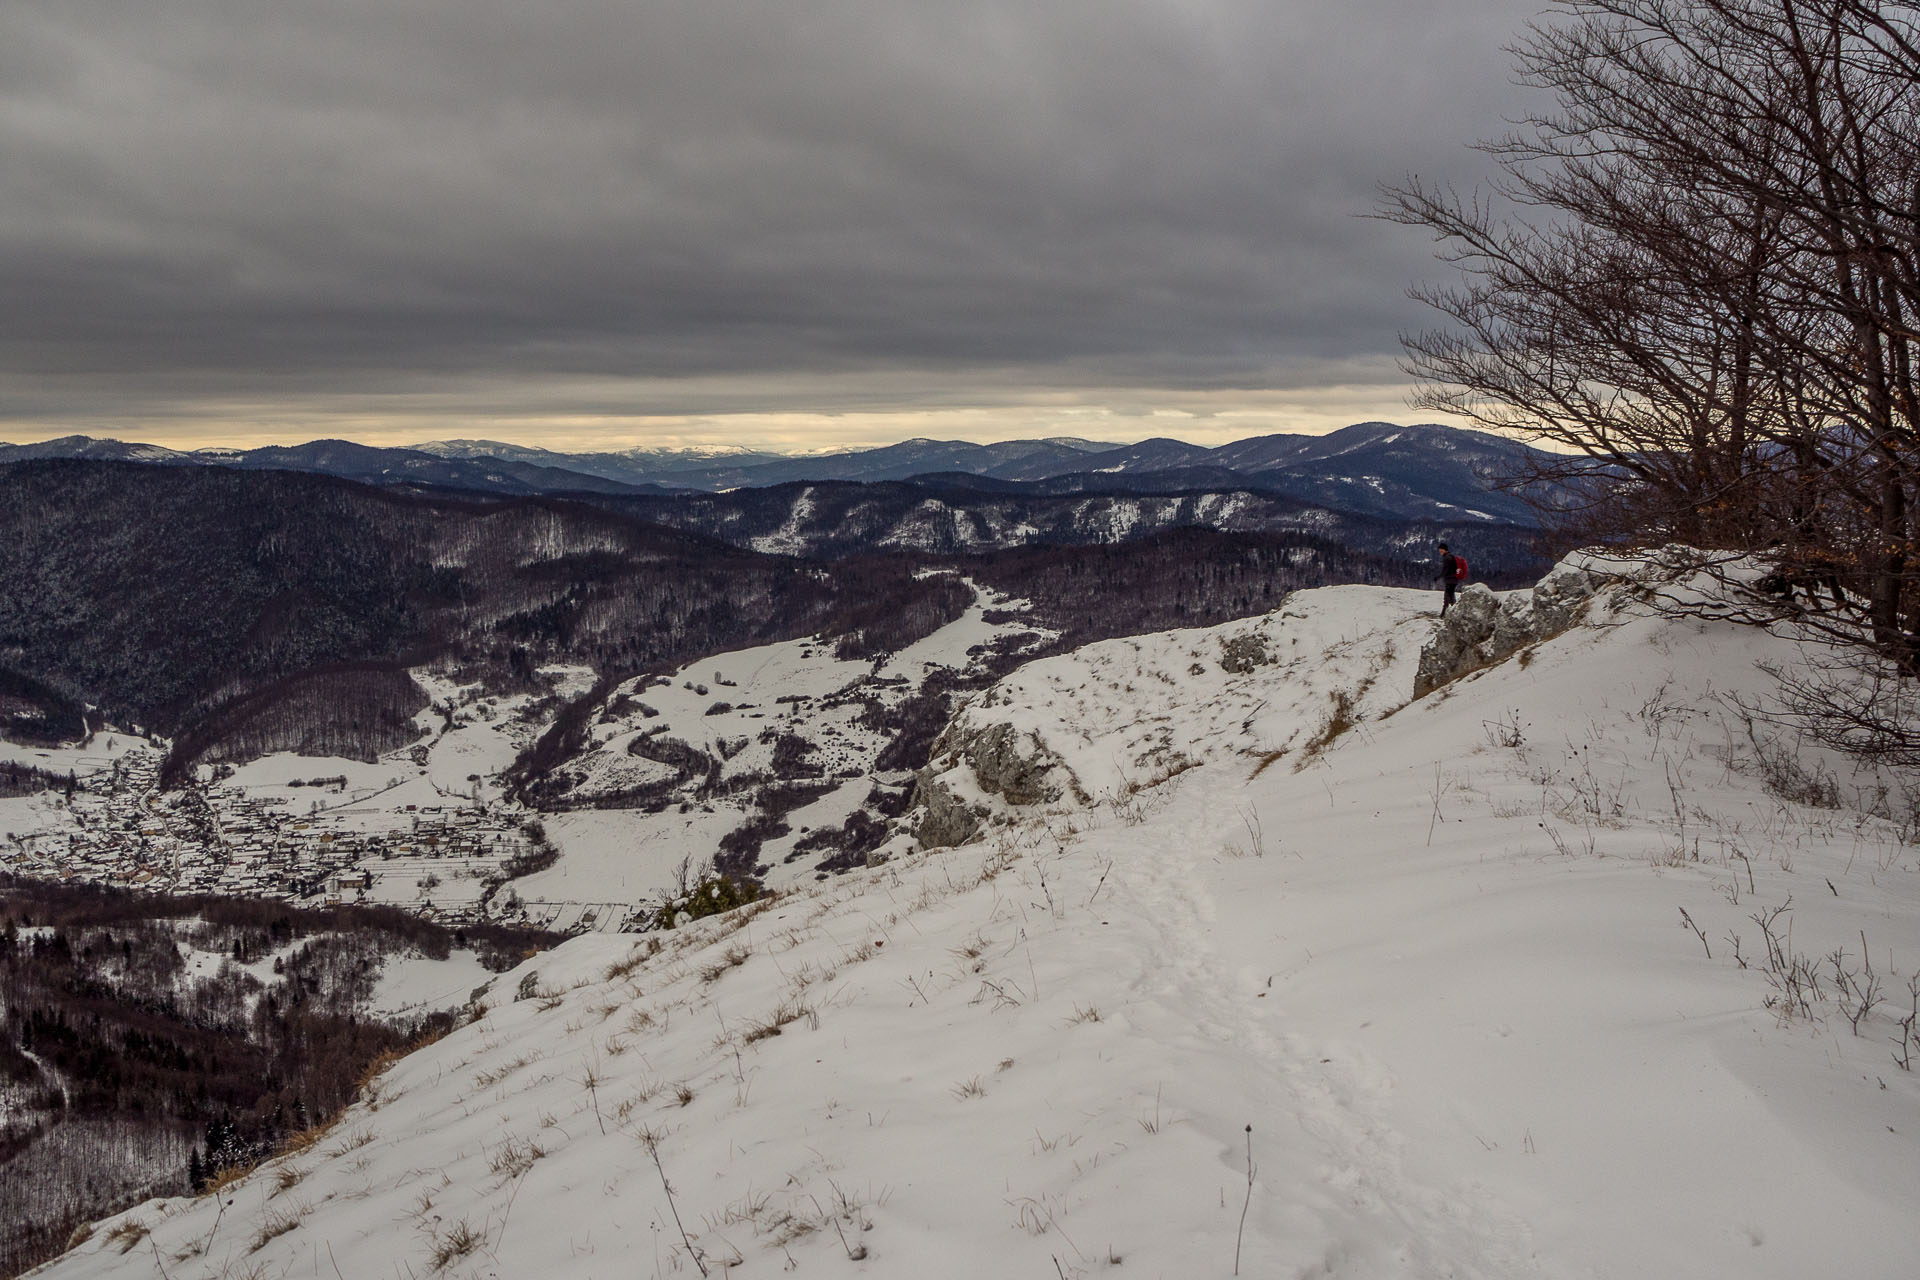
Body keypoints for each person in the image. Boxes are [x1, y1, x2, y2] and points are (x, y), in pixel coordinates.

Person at [1434, 541, 1461, 615]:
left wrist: (1438, 577)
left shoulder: (1447, 558)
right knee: (1451, 596)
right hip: (1454, 580)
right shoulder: (1451, 556)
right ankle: (1454, 612)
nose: (1440, 551)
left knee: (1447, 597)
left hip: (1450, 580)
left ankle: (1443, 614)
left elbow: (1445, 570)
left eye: (1441, 550)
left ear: (1444, 549)